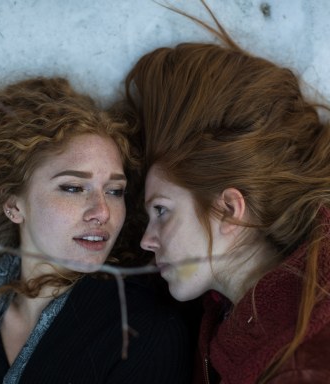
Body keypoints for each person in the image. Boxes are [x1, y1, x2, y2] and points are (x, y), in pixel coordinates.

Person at [125, 3, 330, 383]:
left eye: (162, 211)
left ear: (229, 211)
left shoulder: (306, 357)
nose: (147, 240)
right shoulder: (239, 323)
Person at [0, 77, 192, 383]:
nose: (102, 211)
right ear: (14, 204)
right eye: (73, 188)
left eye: (115, 191)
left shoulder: (145, 332)